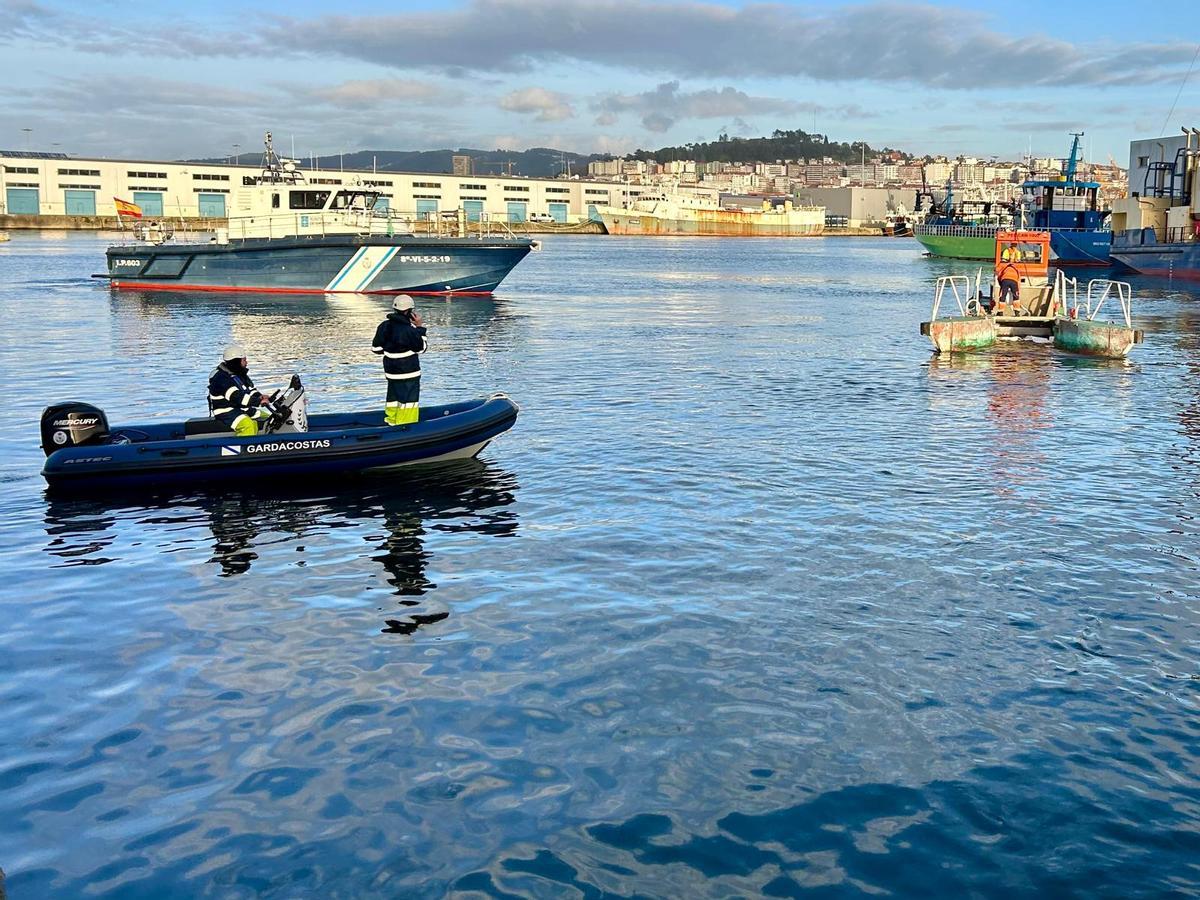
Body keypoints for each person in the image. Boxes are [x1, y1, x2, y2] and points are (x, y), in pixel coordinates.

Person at [372, 296, 428, 426]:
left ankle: (391, 422)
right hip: (409, 373)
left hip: (391, 372)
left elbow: (376, 349)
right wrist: (420, 328)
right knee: (408, 402)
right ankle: (406, 427)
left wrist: (391, 349)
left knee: (393, 398)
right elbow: (422, 349)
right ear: (409, 312)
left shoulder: (384, 326)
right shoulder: (410, 330)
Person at [208, 345, 272, 436]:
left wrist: (260, 396)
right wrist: (258, 402)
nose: (246, 363)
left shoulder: (239, 374)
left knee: (269, 418)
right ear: (236, 361)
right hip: (226, 412)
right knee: (248, 425)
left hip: (240, 408)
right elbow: (237, 397)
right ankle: (243, 448)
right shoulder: (221, 378)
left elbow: (249, 390)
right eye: (244, 360)